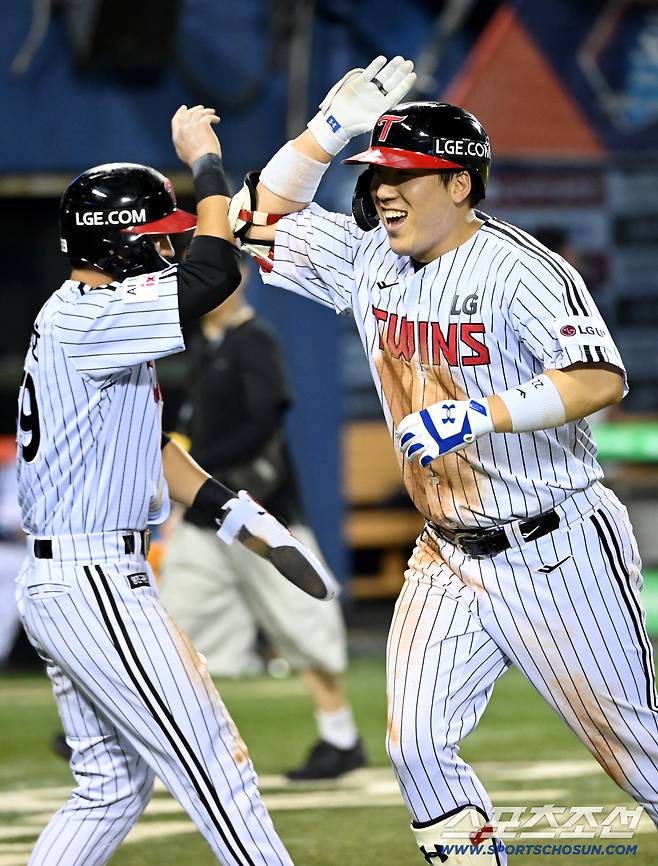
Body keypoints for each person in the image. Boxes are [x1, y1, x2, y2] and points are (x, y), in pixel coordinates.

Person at [229, 56, 658, 864]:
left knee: (641, 756)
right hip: (446, 552)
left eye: (407, 174)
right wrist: (328, 131)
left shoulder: (520, 268)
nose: (384, 189)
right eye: (378, 173)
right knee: (416, 745)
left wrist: (482, 412)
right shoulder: (371, 259)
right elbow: (257, 214)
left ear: (460, 184)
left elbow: (599, 377)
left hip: (555, 547)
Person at [15, 104, 335, 866]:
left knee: (109, 785)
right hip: (93, 580)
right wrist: (209, 162)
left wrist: (242, 519)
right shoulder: (89, 316)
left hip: (77, 575)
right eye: (156, 239)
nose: (167, 251)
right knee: (215, 764)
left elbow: (149, 452)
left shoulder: (91, 319)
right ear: (114, 243)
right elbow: (214, 271)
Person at [159, 271, 366, 780]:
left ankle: (340, 737)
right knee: (169, 625)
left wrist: (194, 463)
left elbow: (262, 422)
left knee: (301, 623)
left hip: (258, 508)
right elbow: (187, 420)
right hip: (205, 516)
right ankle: (141, 734)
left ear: (241, 280)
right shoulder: (202, 342)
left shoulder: (256, 339)